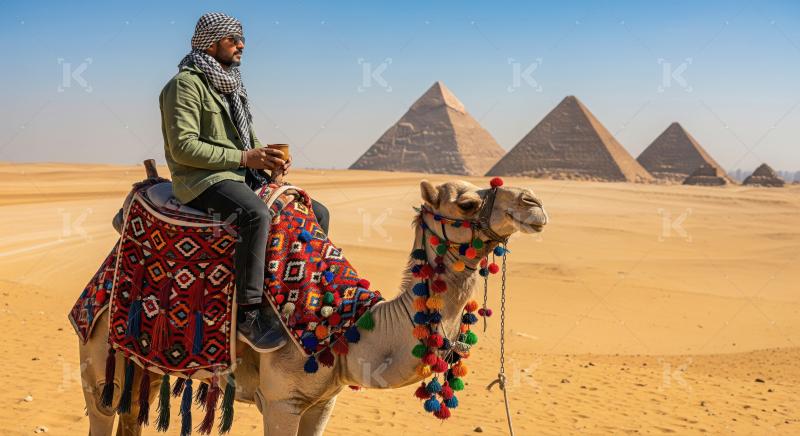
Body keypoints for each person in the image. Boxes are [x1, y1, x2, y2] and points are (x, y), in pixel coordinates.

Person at [160, 12, 330, 352]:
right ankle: (249, 315)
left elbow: (248, 141)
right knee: (255, 215)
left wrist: (269, 163)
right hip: (202, 179)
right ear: (211, 43)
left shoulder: (232, 84)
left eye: (241, 38)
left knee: (316, 212)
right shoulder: (184, 86)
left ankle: (301, 295)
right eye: (232, 39)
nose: (242, 45)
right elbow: (184, 147)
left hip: (241, 174)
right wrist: (243, 159)